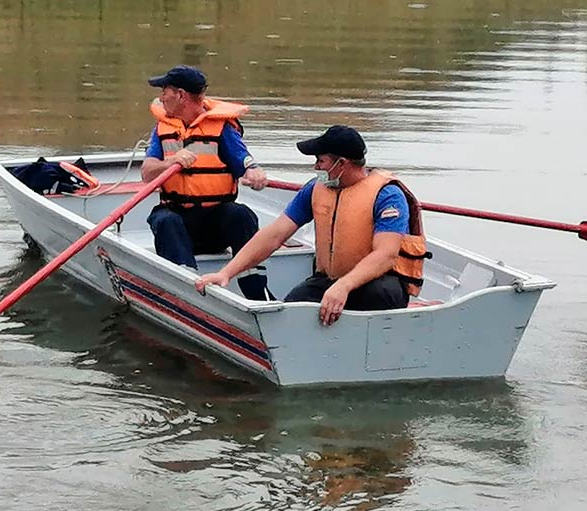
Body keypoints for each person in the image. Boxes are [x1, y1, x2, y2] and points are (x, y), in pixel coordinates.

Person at [196, 125, 429, 325]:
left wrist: (344, 286)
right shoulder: (314, 189)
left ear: (342, 164)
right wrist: (226, 273)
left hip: (377, 284)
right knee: (289, 312)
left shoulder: (387, 195)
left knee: (377, 295)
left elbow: (385, 255)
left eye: (320, 161)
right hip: (329, 279)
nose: (316, 167)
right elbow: (275, 235)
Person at [141, 65, 274, 301]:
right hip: (179, 224)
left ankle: (257, 294)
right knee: (164, 219)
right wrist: (170, 162)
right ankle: (186, 290)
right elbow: (147, 173)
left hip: (215, 226)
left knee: (241, 215)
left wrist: (254, 171)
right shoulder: (162, 129)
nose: (161, 97)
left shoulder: (222, 128)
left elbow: (245, 161)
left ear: (181, 95)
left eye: (165, 91)